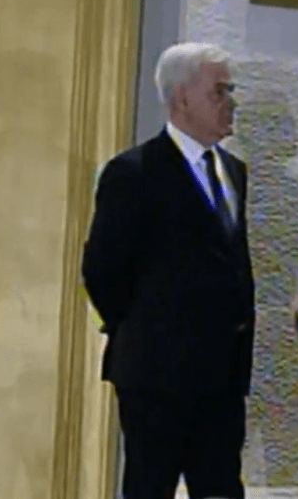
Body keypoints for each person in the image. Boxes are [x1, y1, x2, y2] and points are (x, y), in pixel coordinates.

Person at [82, 42, 254, 499]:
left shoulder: (233, 171)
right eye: (219, 91)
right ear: (181, 98)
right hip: (155, 376)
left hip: (222, 377)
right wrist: (145, 328)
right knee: (150, 487)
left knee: (221, 488)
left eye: (231, 91)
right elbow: (102, 270)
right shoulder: (134, 172)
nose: (230, 102)